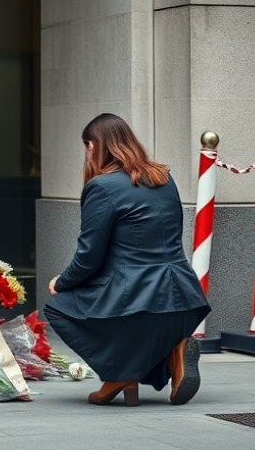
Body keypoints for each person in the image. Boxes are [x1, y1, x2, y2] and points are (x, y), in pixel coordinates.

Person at [45, 113, 211, 407]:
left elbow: (88, 256)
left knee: (58, 306)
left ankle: (120, 375)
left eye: (87, 147)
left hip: (136, 299)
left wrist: (62, 281)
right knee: (117, 316)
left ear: (94, 146)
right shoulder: (164, 177)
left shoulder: (101, 187)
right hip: (182, 297)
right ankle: (174, 354)